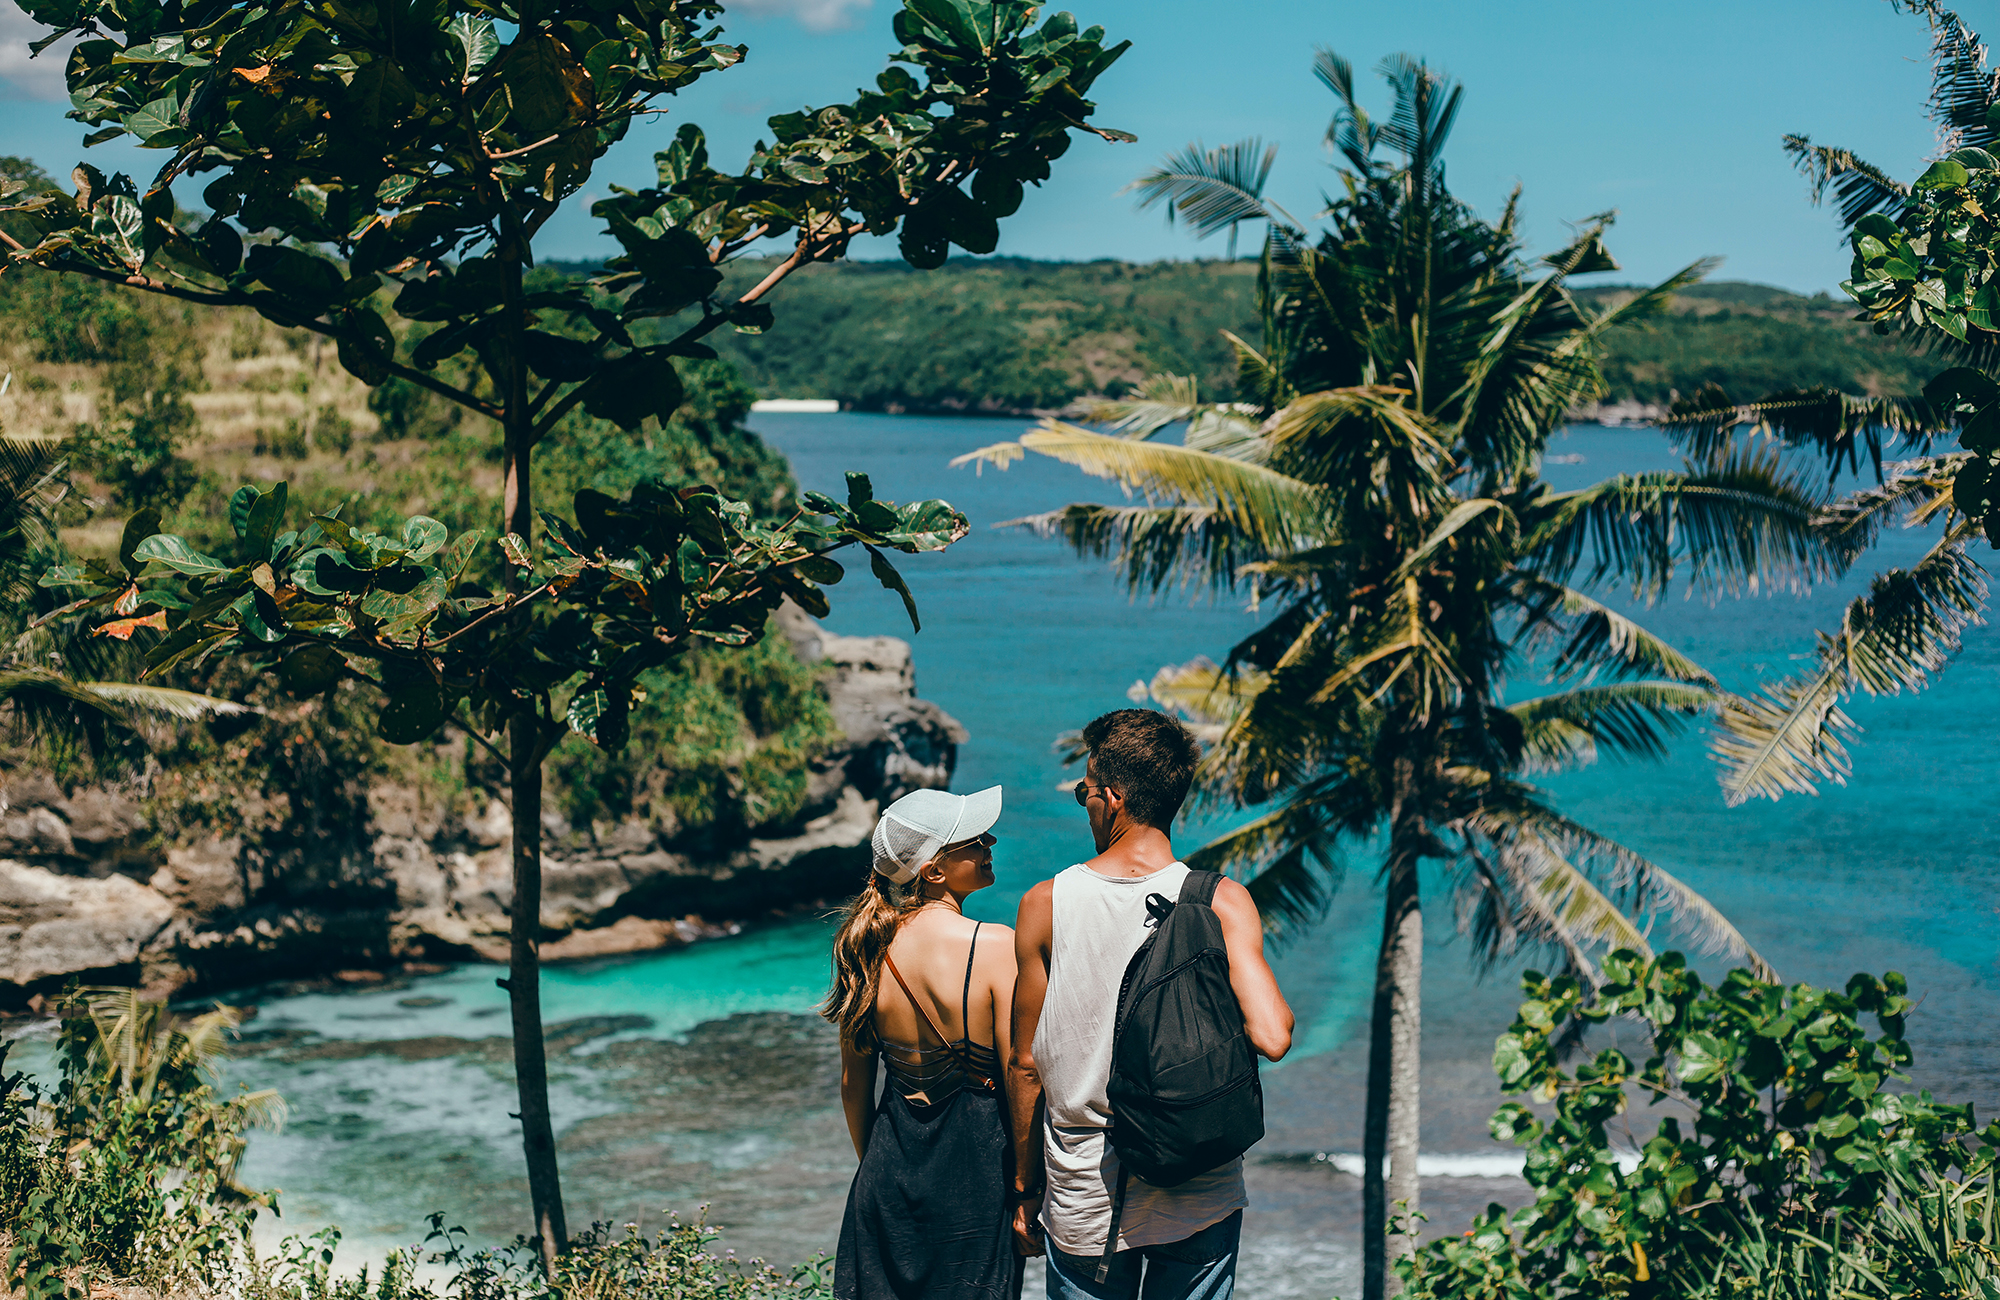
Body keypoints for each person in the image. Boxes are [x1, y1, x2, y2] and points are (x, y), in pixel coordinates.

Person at [1007, 710, 1295, 1300]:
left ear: (1112, 798)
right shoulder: (1221, 900)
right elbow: (1273, 1034)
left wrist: (1025, 1188)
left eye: (1085, 792)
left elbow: (1026, 1064)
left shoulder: (1046, 903)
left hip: (1087, 1185)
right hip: (1198, 1178)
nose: (1085, 804)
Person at [825, 784, 1024, 1300]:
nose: (990, 843)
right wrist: (1029, 1186)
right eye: (975, 840)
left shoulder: (866, 949)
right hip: (976, 1185)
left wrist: (878, 1171)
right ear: (934, 871)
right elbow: (1020, 1077)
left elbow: (853, 1088)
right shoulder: (996, 946)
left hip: (885, 1178)